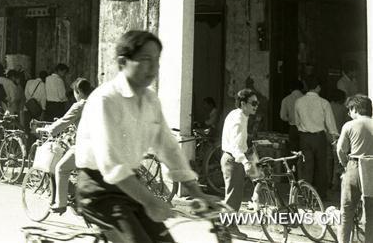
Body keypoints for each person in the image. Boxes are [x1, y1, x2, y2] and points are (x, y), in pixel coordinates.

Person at [75, 30, 213, 243]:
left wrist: (196, 192)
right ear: (123, 62)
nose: (154, 68)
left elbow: (168, 147)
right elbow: (112, 164)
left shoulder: (150, 100)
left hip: (131, 185)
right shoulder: (106, 99)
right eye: (145, 60)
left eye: (157, 60)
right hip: (98, 191)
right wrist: (151, 202)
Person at [40, 77, 93, 213]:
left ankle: (60, 203)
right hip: (102, 147)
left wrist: (47, 130)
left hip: (85, 147)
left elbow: (64, 121)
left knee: (61, 168)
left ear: (78, 92)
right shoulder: (97, 102)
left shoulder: (80, 105)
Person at [220, 88, 259, 239]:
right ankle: (228, 228)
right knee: (233, 197)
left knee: (234, 195)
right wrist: (245, 162)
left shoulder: (240, 114)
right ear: (243, 104)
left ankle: (227, 227)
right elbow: (235, 146)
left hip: (234, 158)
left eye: (257, 103)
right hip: (233, 160)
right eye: (253, 103)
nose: (256, 106)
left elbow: (239, 142)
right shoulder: (238, 118)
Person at [294, 74, 339, 196]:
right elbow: (330, 123)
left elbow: (296, 122)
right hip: (319, 137)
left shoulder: (298, 102)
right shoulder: (324, 103)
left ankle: (305, 195)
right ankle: (321, 195)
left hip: (304, 137)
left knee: (306, 167)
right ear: (318, 87)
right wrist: (334, 137)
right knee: (321, 167)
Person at [337, 94, 373, 243]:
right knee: (371, 214)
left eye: (350, 109)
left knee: (346, 212)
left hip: (354, 167)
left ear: (355, 108)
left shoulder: (349, 125)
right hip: (372, 170)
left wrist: (346, 165)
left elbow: (340, 149)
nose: (349, 113)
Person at [280, 79, 305, 152]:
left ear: (290, 88)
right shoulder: (306, 99)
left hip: (293, 128)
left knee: (293, 151)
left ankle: (293, 163)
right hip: (304, 129)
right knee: (304, 151)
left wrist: (290, 119)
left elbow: (282, 116)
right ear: (302, 88)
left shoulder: (286, 99)